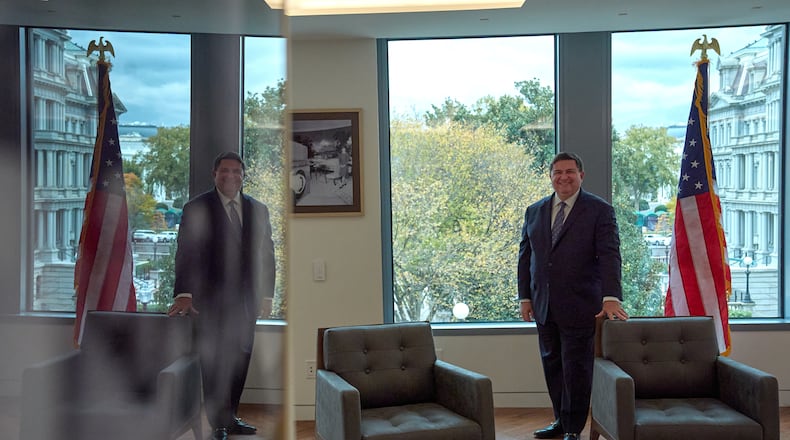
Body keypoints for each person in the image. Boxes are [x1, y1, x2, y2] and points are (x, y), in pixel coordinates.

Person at [517, 152, 628, 440]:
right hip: (543, 305)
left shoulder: (599, 211)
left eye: (569, 171)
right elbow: (525, 258)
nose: (563, 177)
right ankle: (559, 420)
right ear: (551, 177)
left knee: (576, 369)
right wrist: (525, 297)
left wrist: (611, 295)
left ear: (581, 175)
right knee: (552, 364)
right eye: (557, 172)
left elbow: (609, 255)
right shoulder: (534, 211)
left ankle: (573, 429)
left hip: (581, 305)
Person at [168, 151, 276, 440]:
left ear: (243, 175)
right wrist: (184, 293)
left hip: (246, 304)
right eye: (224, 171)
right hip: (210, 304)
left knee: (240, 362)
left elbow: (267, 255)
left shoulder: (258, 209)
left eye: (236, 171)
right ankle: (217, 425)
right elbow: (186, 254)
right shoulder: (196, 208)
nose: (231, 176)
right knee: (214, 364)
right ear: (214, 174)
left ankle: (230, 418)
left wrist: (267, 296)